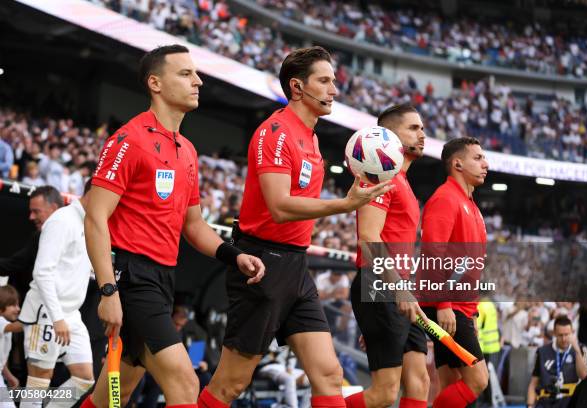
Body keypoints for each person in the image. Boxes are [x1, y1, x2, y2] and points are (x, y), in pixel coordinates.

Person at [197, 46, 392, 408]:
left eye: (334, 80)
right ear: (298, 87)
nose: (334, 88)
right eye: (324, 81)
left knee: (329, 376)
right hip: (260, 264)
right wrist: (345, 205)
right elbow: (281, 207)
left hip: (295, 267)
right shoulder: (276, 132)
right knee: (230, 384)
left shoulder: (313, 138)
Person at [82, 44, 265, 408]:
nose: (197, 81)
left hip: (164, 279)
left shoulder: (188, 151)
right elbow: (95, 216)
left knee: (113, 396)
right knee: (184, 381)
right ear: (156, 83)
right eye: (185, 74)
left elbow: (193, 224)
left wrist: (234, 256)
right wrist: (107, 291)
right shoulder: (128, 140)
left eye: (195, 73)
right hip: (131, 278)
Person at [346, 104, 429, 408]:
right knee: (383, 393)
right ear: (390, 135)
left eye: (422, 128)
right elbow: (368, 238)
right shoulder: (378, 173)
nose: (423, 134)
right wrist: (398, 289)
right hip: (382, 285)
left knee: (419, 383)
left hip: (398, 288)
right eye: (414, 128)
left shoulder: (403, 180)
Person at [419, 137, 490, 407]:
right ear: (457, 163)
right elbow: (432, 253)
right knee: (478, 379)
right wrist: (445, 304)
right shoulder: (446, 198)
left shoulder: (471, 205)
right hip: (449, 307)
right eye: (478, 158)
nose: (486, 164)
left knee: (450, 383)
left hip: (461, 307)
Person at [18, 179, 95, 408]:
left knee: (84, 379)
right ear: (96, 192)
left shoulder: (89, 222)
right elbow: (42, 273)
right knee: (38, 384)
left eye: (35, 211)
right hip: (47, 312)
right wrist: (57, 317)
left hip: (71, 313)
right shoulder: (62, 220)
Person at [0, 186, 64, 300]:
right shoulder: (39, 236)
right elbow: (15, 264)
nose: (31, 217)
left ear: (54, 208)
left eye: (36, 211)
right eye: (31, 212)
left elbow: (13, 265)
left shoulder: (76, 235)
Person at [527, 315, 587, 408]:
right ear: (554, 333)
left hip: (569, 400)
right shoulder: (543, 352)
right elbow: (533, 383)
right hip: (547, 400)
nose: (564, 339)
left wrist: (577, 350)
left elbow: (583, 376)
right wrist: (529, 405)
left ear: (572, 333)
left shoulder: (580, 349)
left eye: (567, 334)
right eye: (560, 335)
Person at [0, 285, 22, 408]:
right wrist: (34, 318)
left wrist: (9, 377)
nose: (18, 309)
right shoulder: (1, 322)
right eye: (13, 305)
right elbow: (16, 327)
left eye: (18, 305)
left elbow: (1, 361)